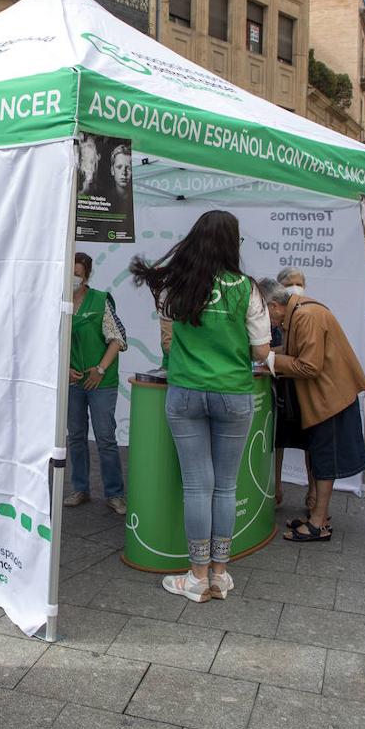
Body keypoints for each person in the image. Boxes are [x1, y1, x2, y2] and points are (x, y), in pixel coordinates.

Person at [131, 210, 271, 602]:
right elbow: (261, 351)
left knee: (197, 485)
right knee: (226, 485)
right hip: (234, 391)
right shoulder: (249, 289)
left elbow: (167, 333)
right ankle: (220, 575)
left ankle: (196, 576)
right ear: (233, 243)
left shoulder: (176, 283)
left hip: (186, 391)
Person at [259, 279, 365, 541]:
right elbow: (293, 352)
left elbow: (309, 366)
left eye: (263, 314)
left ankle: (319, 523)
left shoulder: (306, 315)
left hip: (331, 399)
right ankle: (317, 517)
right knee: (320, 458)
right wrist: (262, 354)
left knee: (324, 461)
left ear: (274, 306)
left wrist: (270, 359)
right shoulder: (300, 313)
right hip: (327, 397)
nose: (265, 322)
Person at [64, 253, 128, 514]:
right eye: (70, 273)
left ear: (87, 275)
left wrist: (100, 369)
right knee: (76, 437)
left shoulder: (100, 300)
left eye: (78, 274)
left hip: (101, 381)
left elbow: (118, 339)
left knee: (105, 437)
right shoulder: (59, 302)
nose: (74, 279)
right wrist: (63, 369)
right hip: (72, 381)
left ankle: (114, 494)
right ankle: (80, 489)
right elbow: (50, 339)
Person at [271, 268, 306, 508]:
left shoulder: (308, 313)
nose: (295, 287)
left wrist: (272, 356)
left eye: (299, 283)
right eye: (290, 283)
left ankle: (313, 494)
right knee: (278, 439)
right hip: (280, 386)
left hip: (304, 387)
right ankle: (276, 486)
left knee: (311, 441)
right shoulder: (273, 319)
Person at [108, 143, 132, 217]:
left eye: (128, 168)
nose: (123, 173)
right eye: (119, 167)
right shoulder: (106, 200)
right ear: (112, 170)